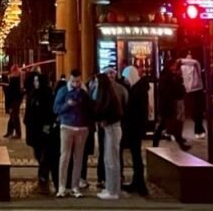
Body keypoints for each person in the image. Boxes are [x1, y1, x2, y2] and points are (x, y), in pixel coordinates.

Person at [53, 69, 90, 198]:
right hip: (67, 126)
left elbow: (89, 108)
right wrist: (67, 105)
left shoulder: (84, 92)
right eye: (74, 81)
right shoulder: (63, 91)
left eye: (78, 81)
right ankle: (62, 187)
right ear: (70, 79)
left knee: (78, 159)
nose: (76, 84)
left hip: (81, 128)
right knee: (64, 157)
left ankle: (75, 187)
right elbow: (56, 109)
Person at [93, 71, 124, 200]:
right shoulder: (110, 93)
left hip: (112, 128)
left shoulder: (106, 95)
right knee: (110, 159)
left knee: (111, 159)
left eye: (96, 81)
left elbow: (102, 110)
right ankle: (112, 188)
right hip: (112, 128)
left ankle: (112, 191)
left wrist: (98, 118)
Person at [24, 72, 57, 191]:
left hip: (44, 129)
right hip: (34, 129)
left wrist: (47, 127)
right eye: (35, 80)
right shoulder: (33, 93)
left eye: (37, 80)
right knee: (38, 153)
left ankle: (43, 179)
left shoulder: (48, 94)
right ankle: (43, 178)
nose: (35, 83)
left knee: (45, 156)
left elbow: (50, 112)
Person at [121, 66, 149, 196]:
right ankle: (137, 182)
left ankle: (139, 184)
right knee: (135, 155)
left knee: (136, 156)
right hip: (136, 127)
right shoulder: (138, 88)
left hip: (135, 128)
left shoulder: (138, 90)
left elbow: (136, 111)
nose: (126, 80)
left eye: (126, 77)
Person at [3, 65, 23, 139]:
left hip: (14, 100)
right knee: (13, 116)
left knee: (14, 116)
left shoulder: (13, 79)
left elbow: (11, 92)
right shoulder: (17, 78)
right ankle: (10, 131)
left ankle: (17, 133)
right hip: (16, 99)